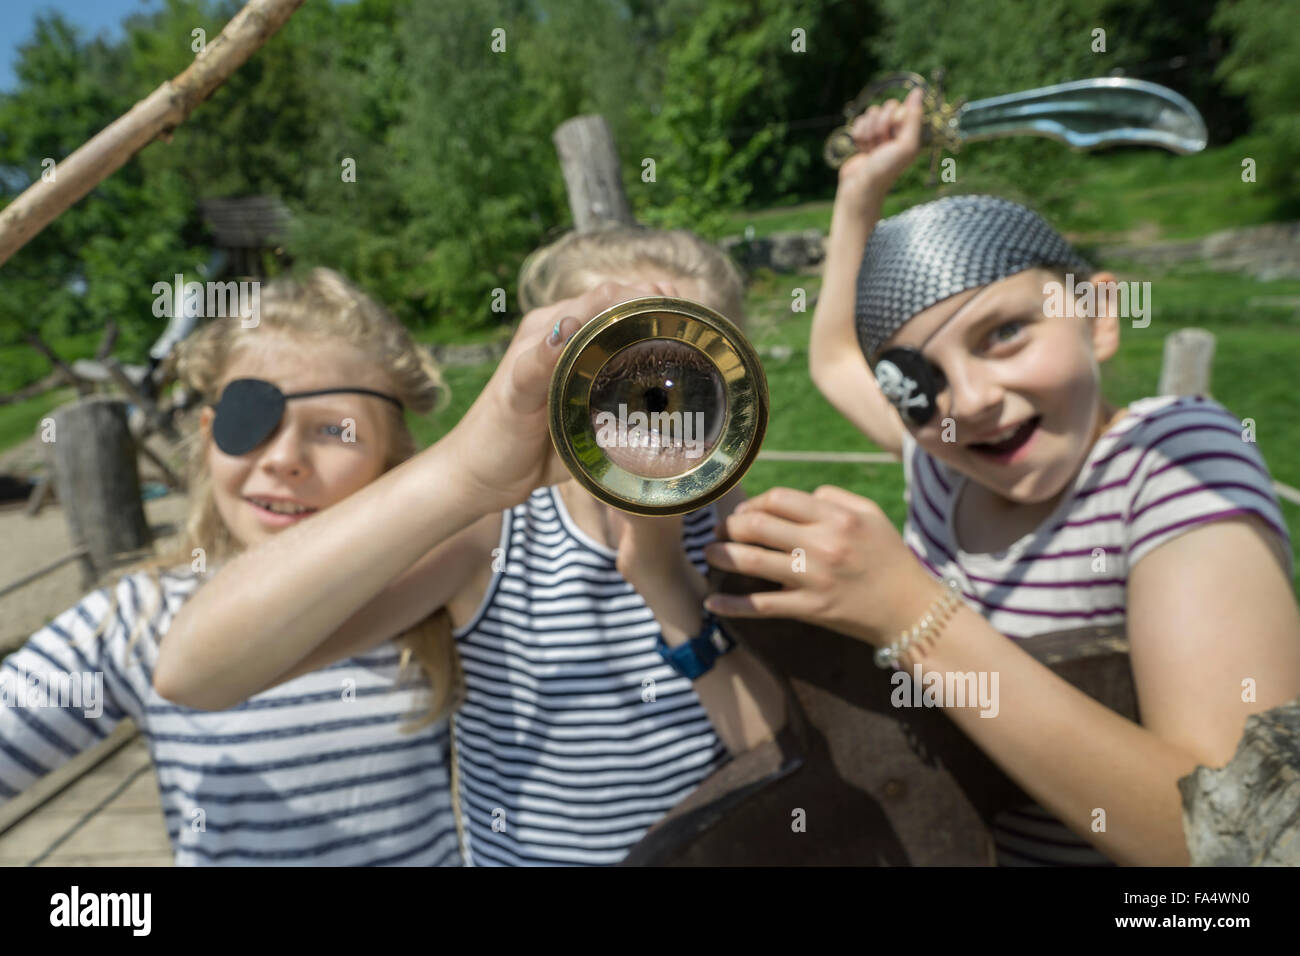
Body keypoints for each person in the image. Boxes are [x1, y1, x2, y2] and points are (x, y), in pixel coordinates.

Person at [702, 89, 1300, 866]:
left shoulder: (1172, 463)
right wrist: (860, 191)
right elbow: (835, 359)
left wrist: (912, 613)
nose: (974, 401)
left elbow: (1241, 842)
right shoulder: (944, 464)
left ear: (1100, 313)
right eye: (922, 378)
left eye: (1007, 333)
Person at [156, 227, 787, 866]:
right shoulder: (491, 536)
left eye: (685, 371)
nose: (649, 406)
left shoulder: (742, 532)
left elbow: (781, 756)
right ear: (556, 377)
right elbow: (195, 672)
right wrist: (464, 475)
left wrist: (666, 583)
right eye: (615, 365)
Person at [0, 269, 462, 865]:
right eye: (254, 422)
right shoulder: (140, 619)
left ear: (392, 460)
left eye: (332, 430)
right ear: (211, 435)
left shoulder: (436, 598)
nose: (284, 460)